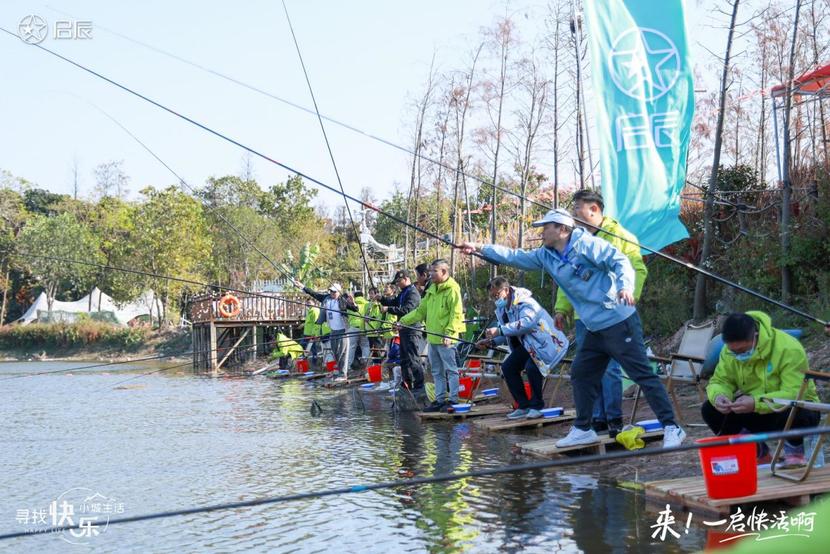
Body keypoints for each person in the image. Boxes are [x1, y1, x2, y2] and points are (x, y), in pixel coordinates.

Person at [460, 208, 685, 448]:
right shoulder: (545, 255)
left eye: (546, 227)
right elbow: (514, 256)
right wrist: (480, 248)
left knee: (642, 374)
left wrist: (625, 287)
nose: (542, 232)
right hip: (593, 328)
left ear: (563, 229)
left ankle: (672, 426)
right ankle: (583, 428)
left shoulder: (587, 245)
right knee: (580, 374)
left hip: (619, 322)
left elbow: (620, 261)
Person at [555, 189, 648, 438]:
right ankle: (595, 419)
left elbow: (636, 268)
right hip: (584, 317)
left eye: (578, 209)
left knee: (611, 368)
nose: (574, 214)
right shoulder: (574, 240)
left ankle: (613, 418)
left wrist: (630, 294)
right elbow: (567, 277)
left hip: (613, 314)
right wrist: (561, 309)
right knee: (588, 368)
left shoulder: (622, 236)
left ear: (594, 209)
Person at [703, 311, 820, 465]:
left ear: (756, 336)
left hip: (793, 408)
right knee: (710, 409)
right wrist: (719, 396)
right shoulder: (729, 351)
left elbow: (794, 393)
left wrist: (755, 402)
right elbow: (720, 380)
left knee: (796, 410)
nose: (738, 355)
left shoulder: (789, 348)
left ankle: (795, 453)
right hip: (756, 408)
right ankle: (757, 452)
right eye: (734, 351)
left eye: (743, 351)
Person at [477, 276, 570, 420]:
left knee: (532, 367)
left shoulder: (525, 302)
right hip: (529, 345)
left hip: (547, 344)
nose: (495, 299)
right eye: (492, 297)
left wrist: (499, 330)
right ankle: (523, 405)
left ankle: (537, 406)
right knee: (508, 367)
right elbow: (509, 332)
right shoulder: (503, 309)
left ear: (506, 290)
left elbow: (527, 323)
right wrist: (491, 342)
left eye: (496, 295)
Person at [399, 259, 466, 412]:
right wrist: (403, 321)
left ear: (444, 272)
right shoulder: (431, 290)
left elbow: (456, 314)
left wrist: (449, 334)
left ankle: (453, 399)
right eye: (430, 271)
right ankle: (440, 399)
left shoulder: (452, 289)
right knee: (436, 370)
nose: (431, 274)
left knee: (451, 369)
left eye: (434, 271)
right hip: (432, 337)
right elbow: (420, 311)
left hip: (447, 339)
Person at [294, 280, 358, 381]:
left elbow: (355, 309)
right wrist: (303, 287)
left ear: (339, 292)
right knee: (335, 351)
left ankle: (343, 374)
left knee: (343, 352)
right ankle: (337, 371)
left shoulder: (343, 300)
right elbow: (313, 293)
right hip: (332, 330)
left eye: (334, 292)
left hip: (342, 330)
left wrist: (353, 303)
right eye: (331, 291)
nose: (332, 293)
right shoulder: (326, 299)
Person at [379, 270, 426, 398]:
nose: (398, 284)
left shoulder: (413, 293)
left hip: (412, 330)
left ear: (406, 279)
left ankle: (419, 386)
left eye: (399, 281)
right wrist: (382, 299)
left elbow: (407, 310)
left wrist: (388, 309)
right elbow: (393, 301)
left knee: (413, 358)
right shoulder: (403, 293)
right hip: (403, 330)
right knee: (404, 359)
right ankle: (406, 384)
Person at [301, 302, 331, 371]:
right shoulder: (311, 310)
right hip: (311, 333)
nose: (308, 303)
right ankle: (306, 367)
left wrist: (314, 334)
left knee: (327, 352)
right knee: (306, 350)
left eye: (309, 302)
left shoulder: (315, 311)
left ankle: (328, 368)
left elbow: (316, 324)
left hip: (316, 334)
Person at [347, 291, 370, 370]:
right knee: (365, 346)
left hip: (353, 327)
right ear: (363, 296)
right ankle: (366, 364)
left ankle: (348, 366)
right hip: (364, 328)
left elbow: (347, 315)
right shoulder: (367, 303)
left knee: (351, 347)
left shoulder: (350, 304)